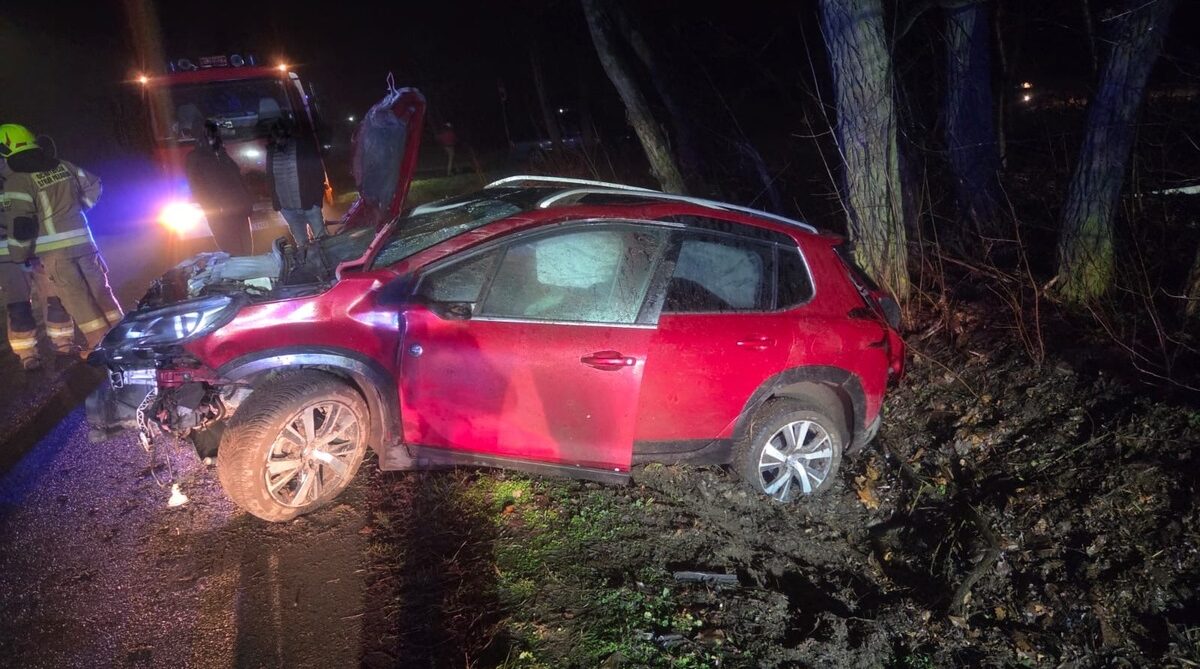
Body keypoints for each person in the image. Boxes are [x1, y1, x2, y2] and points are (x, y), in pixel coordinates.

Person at [0, 123, 122, 359]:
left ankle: (99, 345)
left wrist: (19, 255)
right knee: (100, 290)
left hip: (53, 252)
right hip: (84, 241)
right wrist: (77, 209)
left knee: (77, 298)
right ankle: (123, 336)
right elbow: (94, 185)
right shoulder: (63, 166)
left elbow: (22, 226)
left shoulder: (18, 180)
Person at [185, 120, 254, 255]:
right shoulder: (195, 158)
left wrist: (248, 200)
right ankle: (236, 274)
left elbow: (237, 178)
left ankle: (248, 272)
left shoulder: (222, 153)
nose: (212, 138)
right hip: (219, 212)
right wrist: (213, 207)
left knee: (246, 248)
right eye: (208, 135)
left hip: (238, 206)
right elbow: (197, 187)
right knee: (230, 248)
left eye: (214, 134)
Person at [266, 118, 327, 245]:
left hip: (309, 204)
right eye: (276, 135)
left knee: (323, 242)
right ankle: (310, 263)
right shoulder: (271, 152)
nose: (279, 139)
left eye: (281, 134)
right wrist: (277, 204)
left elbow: (317, 173)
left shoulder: (304, 147)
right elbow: (271, 178)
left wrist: (317, 201)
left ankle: (330, 264)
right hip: (287, 208)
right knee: (301, 244)